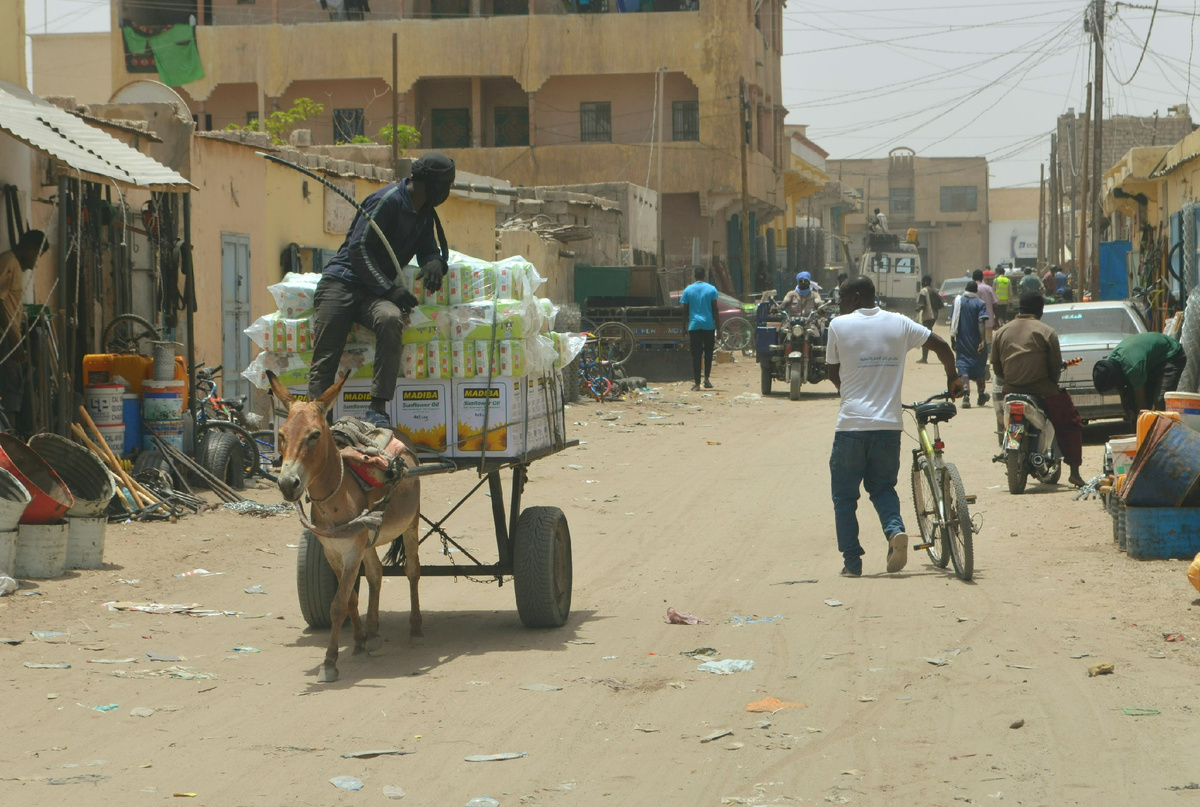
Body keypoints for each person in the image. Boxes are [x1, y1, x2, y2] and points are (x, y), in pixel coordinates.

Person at [826, 276, 962, 577]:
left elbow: (832, 372)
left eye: (842, 298)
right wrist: (954, 378)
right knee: (883, 487)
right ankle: (894, 531)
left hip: (851, 425)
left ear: (857, 297)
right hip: (889, 427)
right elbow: (941, 347)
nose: (838, 303)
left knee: (845, 497)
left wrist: (847, 394)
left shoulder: (838, 326)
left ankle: (852, 563)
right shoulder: (900, 323)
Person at [308, 153, 456, 427]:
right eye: (447, 186)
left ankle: (377, 408)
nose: (447, 193)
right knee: (327, 355)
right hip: (342, 283)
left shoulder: (424, 213)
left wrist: (435, 262)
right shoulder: (387, 201)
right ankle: (317, 420)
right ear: (431, 183)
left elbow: (427, 249)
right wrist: (390, 290)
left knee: (390, 319)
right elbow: (358, 248)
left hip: (372, 294)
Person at [991, 292, 1086, 487]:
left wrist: (1011, 380)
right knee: (1071, 422)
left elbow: (997, 367)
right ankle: (1075, 471)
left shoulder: (1001, 332)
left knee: (1002, 419)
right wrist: (1051, 384)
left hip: (1011, 390)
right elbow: (1054, 368)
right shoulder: (1047, 332)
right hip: (1043, 391)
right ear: (1040, 310)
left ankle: (1005, 447)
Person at [1092, 332, 1187, 425]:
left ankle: (1165, 436)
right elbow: (1123, 393)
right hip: (1150, 360)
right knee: (1139, 404)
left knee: (1160, 402)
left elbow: (1142, 403)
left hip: (1171, 354)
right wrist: (1130, 414)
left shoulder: (1134, 368)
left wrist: (1140, 423)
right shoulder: (1110, 367)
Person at [951, 280, 990, 408]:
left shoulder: (957, 302)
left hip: (961, 341)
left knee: (963, 367)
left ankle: (966, 395)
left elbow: (953, 322)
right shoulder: (980, 303)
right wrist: (983, 340)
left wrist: (953, 340)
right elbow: (981, 322)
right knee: (979, 367)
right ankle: (981, 395)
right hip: (976, 342)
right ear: (976, 291)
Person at [680, 265, 719, 391]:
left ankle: (697, 384)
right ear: (704, 276)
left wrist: (683, 328)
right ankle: (706, 379)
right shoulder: (712, 289)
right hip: (708, 325)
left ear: (694, 276)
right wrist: (718, 328)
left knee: (696, 355)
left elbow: (685, 311)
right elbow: (715, 310)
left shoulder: (688, 290)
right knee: (708, 353)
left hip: (694, 326)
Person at [915, 274, 942, 363]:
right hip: (934, 316)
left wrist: (917, 309)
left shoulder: (923, 291)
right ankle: (925, 357)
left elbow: (922, 305)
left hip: (927, 316)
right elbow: (941, 304)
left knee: (925, 337)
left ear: (925, 282)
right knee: (927, 336)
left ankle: (924, 358)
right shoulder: (934, 291)